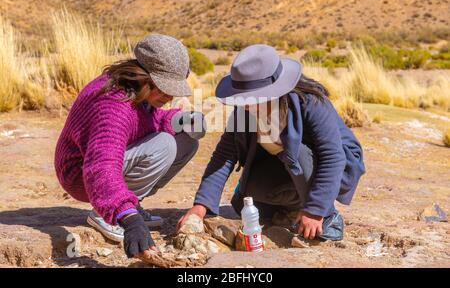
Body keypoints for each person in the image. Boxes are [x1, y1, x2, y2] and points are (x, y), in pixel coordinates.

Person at [178, 44, 365, 241]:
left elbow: (332, 156)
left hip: (335, 165)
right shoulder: (245, 111)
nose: (246, 105)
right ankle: (294, 206)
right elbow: (224, 155)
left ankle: (327, 215)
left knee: (298, 153)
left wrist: (315, 210)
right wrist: (201, 206)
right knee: (249, 203)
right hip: (287, 165)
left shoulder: (310, 102)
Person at [55, 34, 205, 258]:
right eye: (164, 88)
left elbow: (144, 122)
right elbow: (101, 166)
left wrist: (178, 120)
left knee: (186, 142)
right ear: (144, 76)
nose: (170, 95)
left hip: (104, 165)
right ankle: (106, 211)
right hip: (82, 175)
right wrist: (129, 218)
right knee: (164, 144)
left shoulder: (137, 91)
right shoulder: (113, 103)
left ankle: (127, 203)